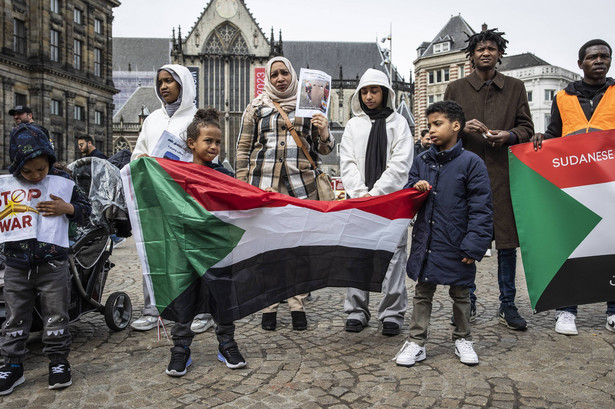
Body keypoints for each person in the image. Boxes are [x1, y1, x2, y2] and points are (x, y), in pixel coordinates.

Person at [444, 28, 534, 330]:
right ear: (471, 55)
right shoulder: (455, 89)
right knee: (465, 242)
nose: (486, 53)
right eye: (480, 49)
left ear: (499, 54)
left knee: (507, 245)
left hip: (504, 176)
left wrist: (509, 135)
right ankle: (466, 301)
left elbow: (527, 128)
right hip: (464, 179)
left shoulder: (515, 87)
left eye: (491, 48)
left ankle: (508, 305)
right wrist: (460, 128)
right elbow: (440, 130)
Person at [236, 56, 334, 331]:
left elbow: (324, 150)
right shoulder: (255, 107)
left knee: (297, 249)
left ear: (292, 75)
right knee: (268, 248)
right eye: (275, 74)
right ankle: (269, 305)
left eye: (284, 73)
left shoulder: (308, 106)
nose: (280, 78)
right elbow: (243, 149)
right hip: (264, 186)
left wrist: (324, 131)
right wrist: (243, 186)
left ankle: (297, 304)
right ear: (269, 77)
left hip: (301, 186)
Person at [394, 100, 492, 367]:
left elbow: (481, 208)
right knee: (422, 293)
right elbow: (408, 189)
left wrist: (474, 245)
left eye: (438, 124)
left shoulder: (472, 163)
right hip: (427, 240)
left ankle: (463, 338)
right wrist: (416, 186)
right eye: (429, 125)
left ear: (456, 126)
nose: (431, 130)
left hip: (457, 242)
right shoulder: (422, 160)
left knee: (461, 294)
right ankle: (416, 342)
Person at [0, 124, 91, 395]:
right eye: (27, 172)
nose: (35, 176)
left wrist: (68, 208)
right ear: (16, 167)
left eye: (41, 169)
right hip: (16, 263)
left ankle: (58, 362)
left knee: (56, 314)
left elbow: (86, 211)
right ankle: (12, 365)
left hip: (53, 262)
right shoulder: (7, 186)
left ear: (50, 161)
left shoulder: (63, 184)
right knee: (15, 315)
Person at [532, 39, 615, 335]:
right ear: (580, 64)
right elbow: (555, 134)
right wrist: (542, 140)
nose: (600, 60)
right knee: (572, 245)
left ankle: (613, 308)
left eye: (605, 56)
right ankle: (566, 310)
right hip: (575, 182)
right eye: (592, 56)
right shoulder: (563, 97)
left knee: (611, 243)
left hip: (611, 183)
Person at [129, 64, 212, 335]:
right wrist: (139, 160)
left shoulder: (197, 118)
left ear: (183, 83)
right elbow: (137, 152)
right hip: (154, 197)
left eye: (169, 81)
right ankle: (154, 309)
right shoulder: (151, 119)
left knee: (190, 255)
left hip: (185, 196)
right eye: (160, 82)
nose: (163, 86)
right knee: (153, 252)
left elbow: (210, 156)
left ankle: (201, 311)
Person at [166, 108, 246, 376]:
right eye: (207, 141)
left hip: (217, 248)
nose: (213, 146)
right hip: (184, 248)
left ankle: (226, 343)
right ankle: (180, 348)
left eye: (218, 142)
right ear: (191, 143)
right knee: (184, 297)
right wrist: (141, 164)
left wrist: (263, 195)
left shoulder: (223, 173)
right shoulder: (175, 173)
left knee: (222, 296)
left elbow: (241, 199)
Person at [340, 68, 413, 336]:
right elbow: (346, 163)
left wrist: (378, 194)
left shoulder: (399, 124)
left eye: (374, 91)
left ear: (385, 93)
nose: (369, 96)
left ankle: (392, 313)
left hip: (390, 201)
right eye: (365, 92)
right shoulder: (352, 125)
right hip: (359, 202)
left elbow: (400, 164)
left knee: (394, 257)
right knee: (357, 254)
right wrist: (361, 195)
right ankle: (357, 310)